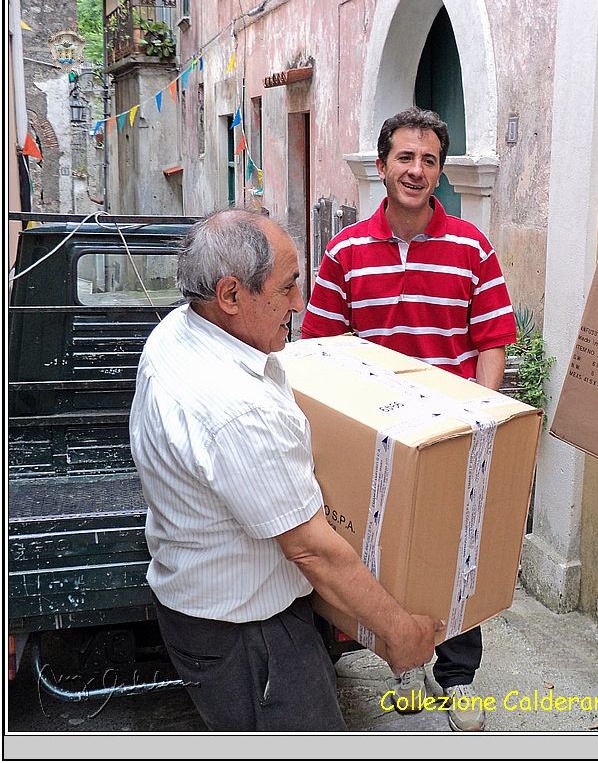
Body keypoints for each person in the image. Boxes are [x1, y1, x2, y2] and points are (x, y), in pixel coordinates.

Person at [130, 209, 442, 731]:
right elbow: (311, 548)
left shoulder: (181, 329)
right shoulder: (236, 407)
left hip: (206, 610)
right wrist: (400, 633)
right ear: (230, 295)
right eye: (288, 287)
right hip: (248, 634)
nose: (299, 303)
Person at [301, 107, 517, 730]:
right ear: (382, 165)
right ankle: (386, 656)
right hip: (372, 434)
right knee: (365, 549)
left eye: (428, 160)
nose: (416, 171)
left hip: (449, 432)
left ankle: (456, 677)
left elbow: (493, 340)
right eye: (405, 158)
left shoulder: (471, 247)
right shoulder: (345, 252)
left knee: (456, 553)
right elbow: (321, 348)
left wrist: (482, 422)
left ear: (442, 171)